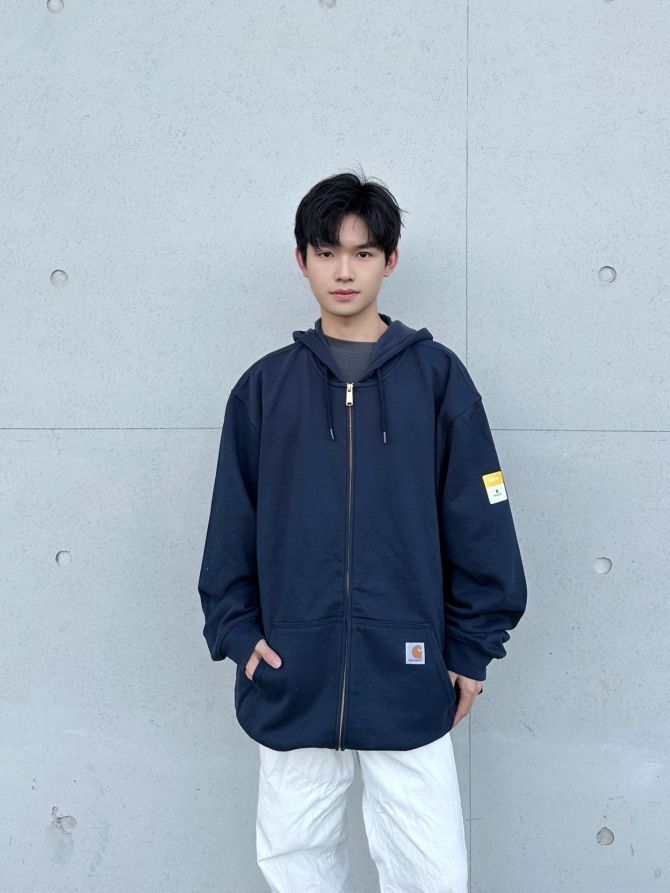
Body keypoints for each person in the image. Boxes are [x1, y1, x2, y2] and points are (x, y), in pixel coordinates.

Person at [197, 170, 528, 892]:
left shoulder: (438, 380)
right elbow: (230, 528)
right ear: (302, 260)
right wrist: (239, 635)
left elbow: (482, 522)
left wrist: (471, 649)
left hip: (408, 673)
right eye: (327, 252)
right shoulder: (264, 388)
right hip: (292, 672)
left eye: (363, 253)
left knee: (432, 874)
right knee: (296, 868)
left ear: (390, 260)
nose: (344, 271)